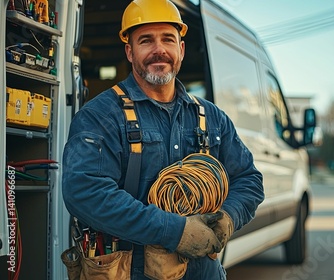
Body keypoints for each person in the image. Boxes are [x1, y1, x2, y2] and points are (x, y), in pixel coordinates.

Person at [61, 0, 264, 279]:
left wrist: (228, 217)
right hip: (131, 272)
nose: (159, 50)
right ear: (130, 52)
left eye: (168, 39)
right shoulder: (100, 116)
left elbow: (249, 179)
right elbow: (85, 192)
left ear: (180, 49)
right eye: (146, 40)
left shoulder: (211, 117)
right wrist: (174, 231)